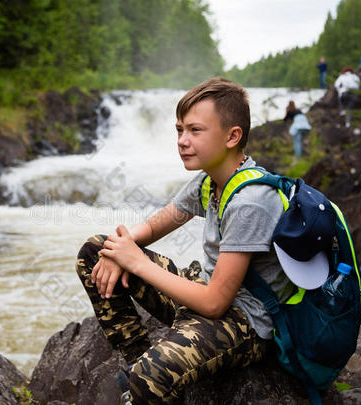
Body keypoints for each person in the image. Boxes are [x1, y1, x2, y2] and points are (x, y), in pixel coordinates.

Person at [76, 77, 295, 404]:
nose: (182, 140)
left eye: (195, 130)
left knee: (151, 376)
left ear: (233, 136)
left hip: (245, 324)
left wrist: (134, 261)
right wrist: (116, 250)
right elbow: (152, 228)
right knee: (94, 250)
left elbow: (214, 303)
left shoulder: (251, 202)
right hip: (204, 293)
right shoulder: (210, 180)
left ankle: (146, 375)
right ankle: (138, 357)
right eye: (179, 130)